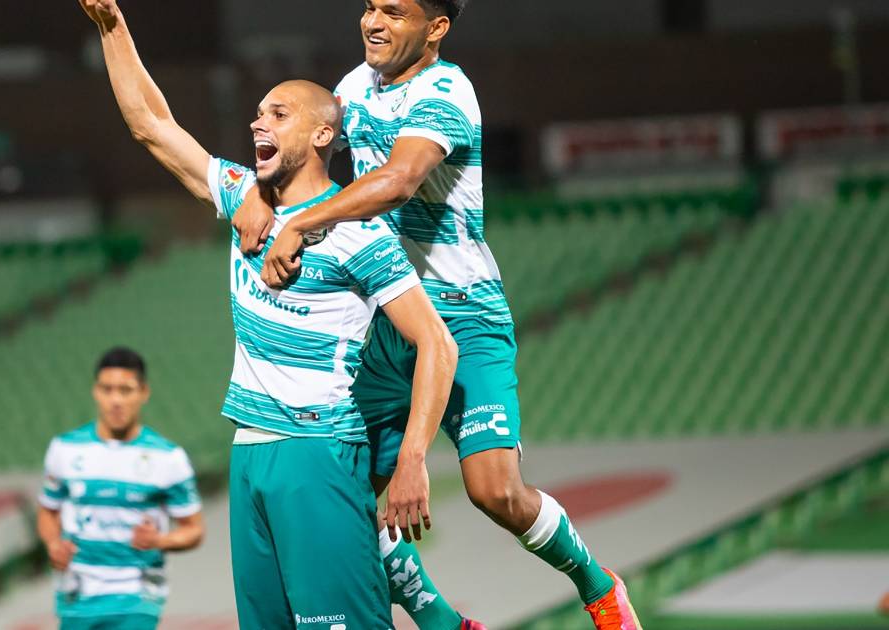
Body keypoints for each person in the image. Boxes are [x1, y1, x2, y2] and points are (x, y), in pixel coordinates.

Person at [232, 1, 644, 628]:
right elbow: (302, 150)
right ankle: (445, 623)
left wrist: (300, 223)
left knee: (494, 490)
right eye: (369, 6)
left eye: (394, 11)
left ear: (436, 28)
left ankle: (598, 586)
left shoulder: (447, 91)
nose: (373, 21)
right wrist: (261, 195)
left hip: (462, 315)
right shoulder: (352, 87)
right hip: (385, 323)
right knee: (346, 498)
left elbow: (399, 179)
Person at [77, 0, 464, 627]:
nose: (260, 121)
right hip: (250, 454)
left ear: (321, 136)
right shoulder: (243, 198)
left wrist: (414, 458)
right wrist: (112, 27)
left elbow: (437, 345)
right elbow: (151, 124)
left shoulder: (355, 232)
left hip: (318, 451)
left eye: (279, 114)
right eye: (259, 113)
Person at [36, 347, 205, 630]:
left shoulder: (168, 458)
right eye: (107, 389)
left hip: (137, 596)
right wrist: (53, 544)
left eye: (126, 390)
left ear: (144, 392)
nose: (115, 400)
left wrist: (160, 541)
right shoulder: (64, 449)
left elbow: (194, 529)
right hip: (77, 595)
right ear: (95, 391)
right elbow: (47, 511)